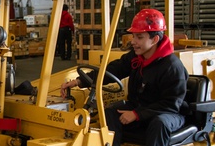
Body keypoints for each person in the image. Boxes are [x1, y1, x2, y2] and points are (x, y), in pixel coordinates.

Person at [60, 8, 188, 146]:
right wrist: (79, 81)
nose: (133, 41)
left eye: (139, 37)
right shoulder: (136, 57)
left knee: (159, 124)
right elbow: (113, 71)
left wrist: (137, 114)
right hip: (141, 107)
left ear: (155, 39)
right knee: (110, 112)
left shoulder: (172, 67)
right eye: (133, 36)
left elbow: (171, 104)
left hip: (169, 112)